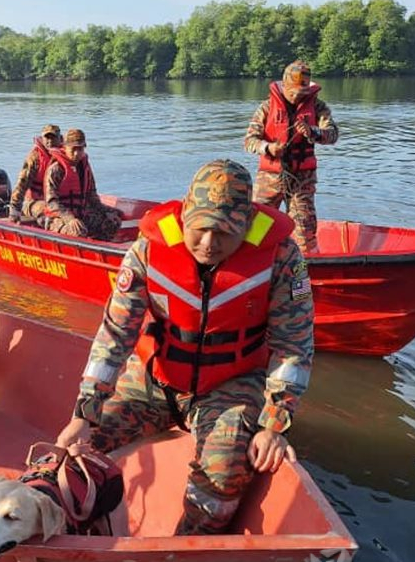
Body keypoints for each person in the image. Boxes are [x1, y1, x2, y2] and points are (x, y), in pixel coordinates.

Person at [55, 159, 314, 535]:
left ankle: (186, 551)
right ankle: (78, 531)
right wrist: (85, 411)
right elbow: (115, 335)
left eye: (225, 233)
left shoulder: (282, 257)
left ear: (247, 224)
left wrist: (275, 423)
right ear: (185, 215)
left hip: (231, 386)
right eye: (201, 229)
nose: (209, 244)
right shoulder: (148, 249)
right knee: (77, 453)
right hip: (154, 381)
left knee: (221, 477)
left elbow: (294, 346)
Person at [244, 60, 338, 254]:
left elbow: (332, 134)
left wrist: (313, 132)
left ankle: (309, 269)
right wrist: (268, 147)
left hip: (302, 179)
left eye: (301, 93)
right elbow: (249, 141)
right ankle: (252, 261)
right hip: (269, 178)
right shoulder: (267, 107)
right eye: (293, 92)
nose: (297, 97)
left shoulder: (318, 107)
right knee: (257, 227)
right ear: (284, 86)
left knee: (304, 227)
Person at [38, 128, 123, 241]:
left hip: (81, 214)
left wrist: (107, 212)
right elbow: (52, 203)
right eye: (73, 149)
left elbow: (92, 196)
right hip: (58, 218)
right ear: (65, 146)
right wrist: (70, 218)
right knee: (78, 231)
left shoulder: (84, 168)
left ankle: (100, 248)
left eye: (80, 148)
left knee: (113, 221)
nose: (77, 153)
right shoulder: (56, 169)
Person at [7, 124, 62, 223]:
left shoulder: (66, 156)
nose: (50, 141)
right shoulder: (35, 158)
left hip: (58, 202)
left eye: (53, 138)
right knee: (48, 210)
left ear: (60, 139)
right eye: (47, 138)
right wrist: (14, 210)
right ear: (42, 138)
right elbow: (21, 185)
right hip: (34, 202)